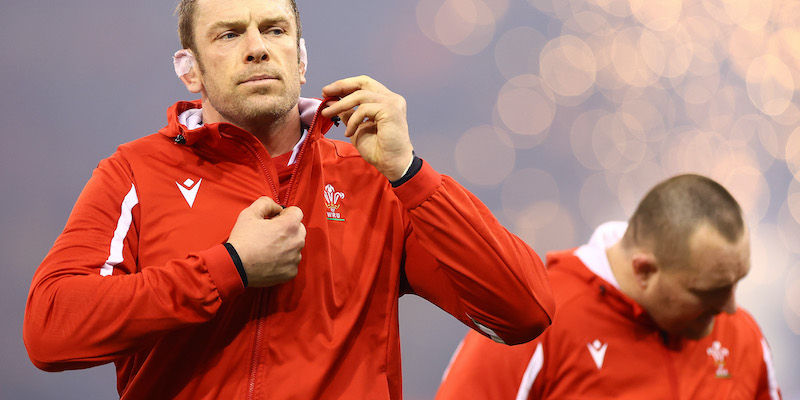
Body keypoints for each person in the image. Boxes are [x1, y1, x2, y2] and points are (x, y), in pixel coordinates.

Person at [22, 0, 555, 398]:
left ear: (300, 60)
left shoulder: (374, 182)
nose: (257, 46)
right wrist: (226, 268)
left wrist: (408, 170)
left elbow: (524, 310)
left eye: (274, 30)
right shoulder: (135, 173)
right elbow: (50, 329)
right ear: (190, 70)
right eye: (228, 35)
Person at [436, 174, 782, 400]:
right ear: (644, 270)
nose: (731, 308)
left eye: (738, 282)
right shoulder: (534, 322)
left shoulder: (743, 337)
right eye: (709, 291)